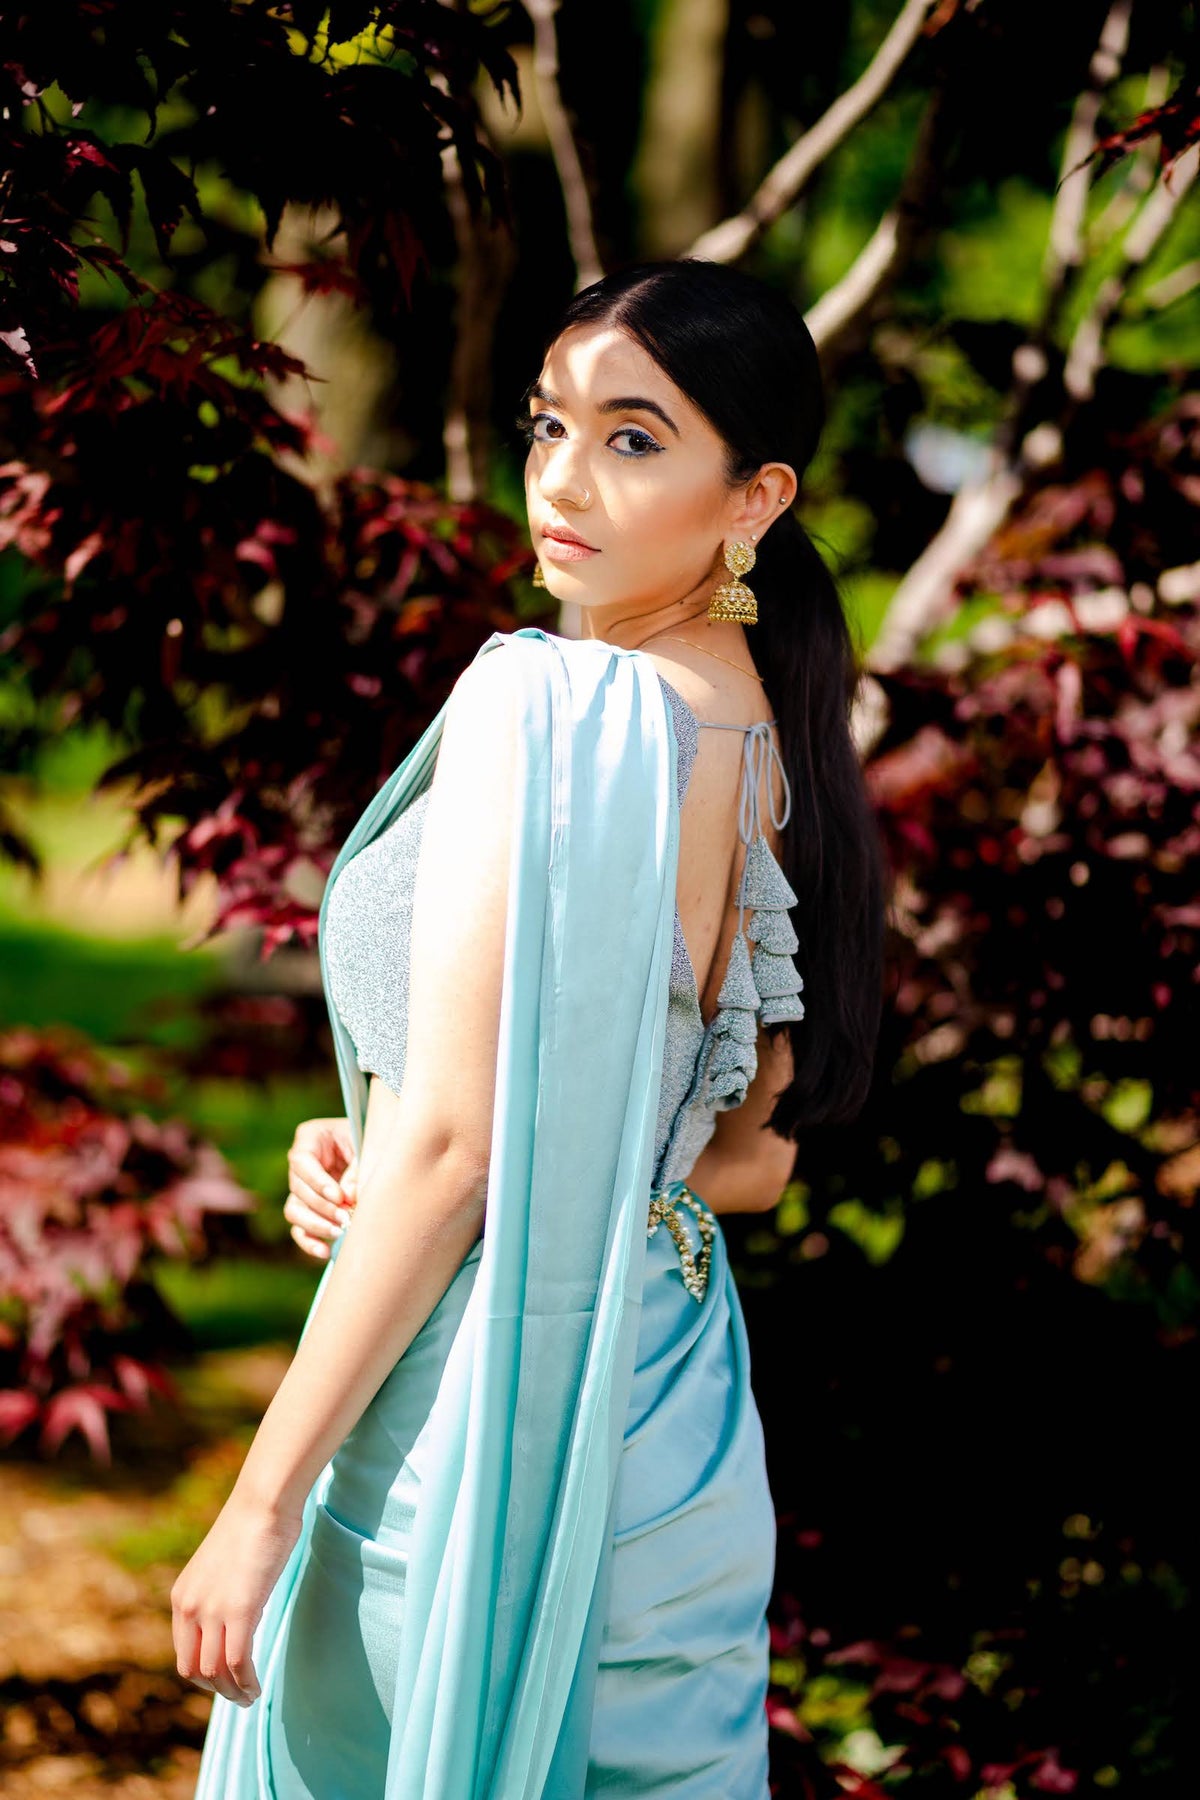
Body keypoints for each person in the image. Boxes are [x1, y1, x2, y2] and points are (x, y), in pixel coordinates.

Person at [175, 258, 884, 1798]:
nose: (563, 481)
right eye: (546, 425)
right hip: (671, 1412)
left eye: (634, 439)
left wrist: (259, 1500)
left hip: (479, 1396)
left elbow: (456, 1154)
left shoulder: (551, 707)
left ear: (752, 497)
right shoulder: (767, 735)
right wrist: (389, 1126)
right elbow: (740, 1164)